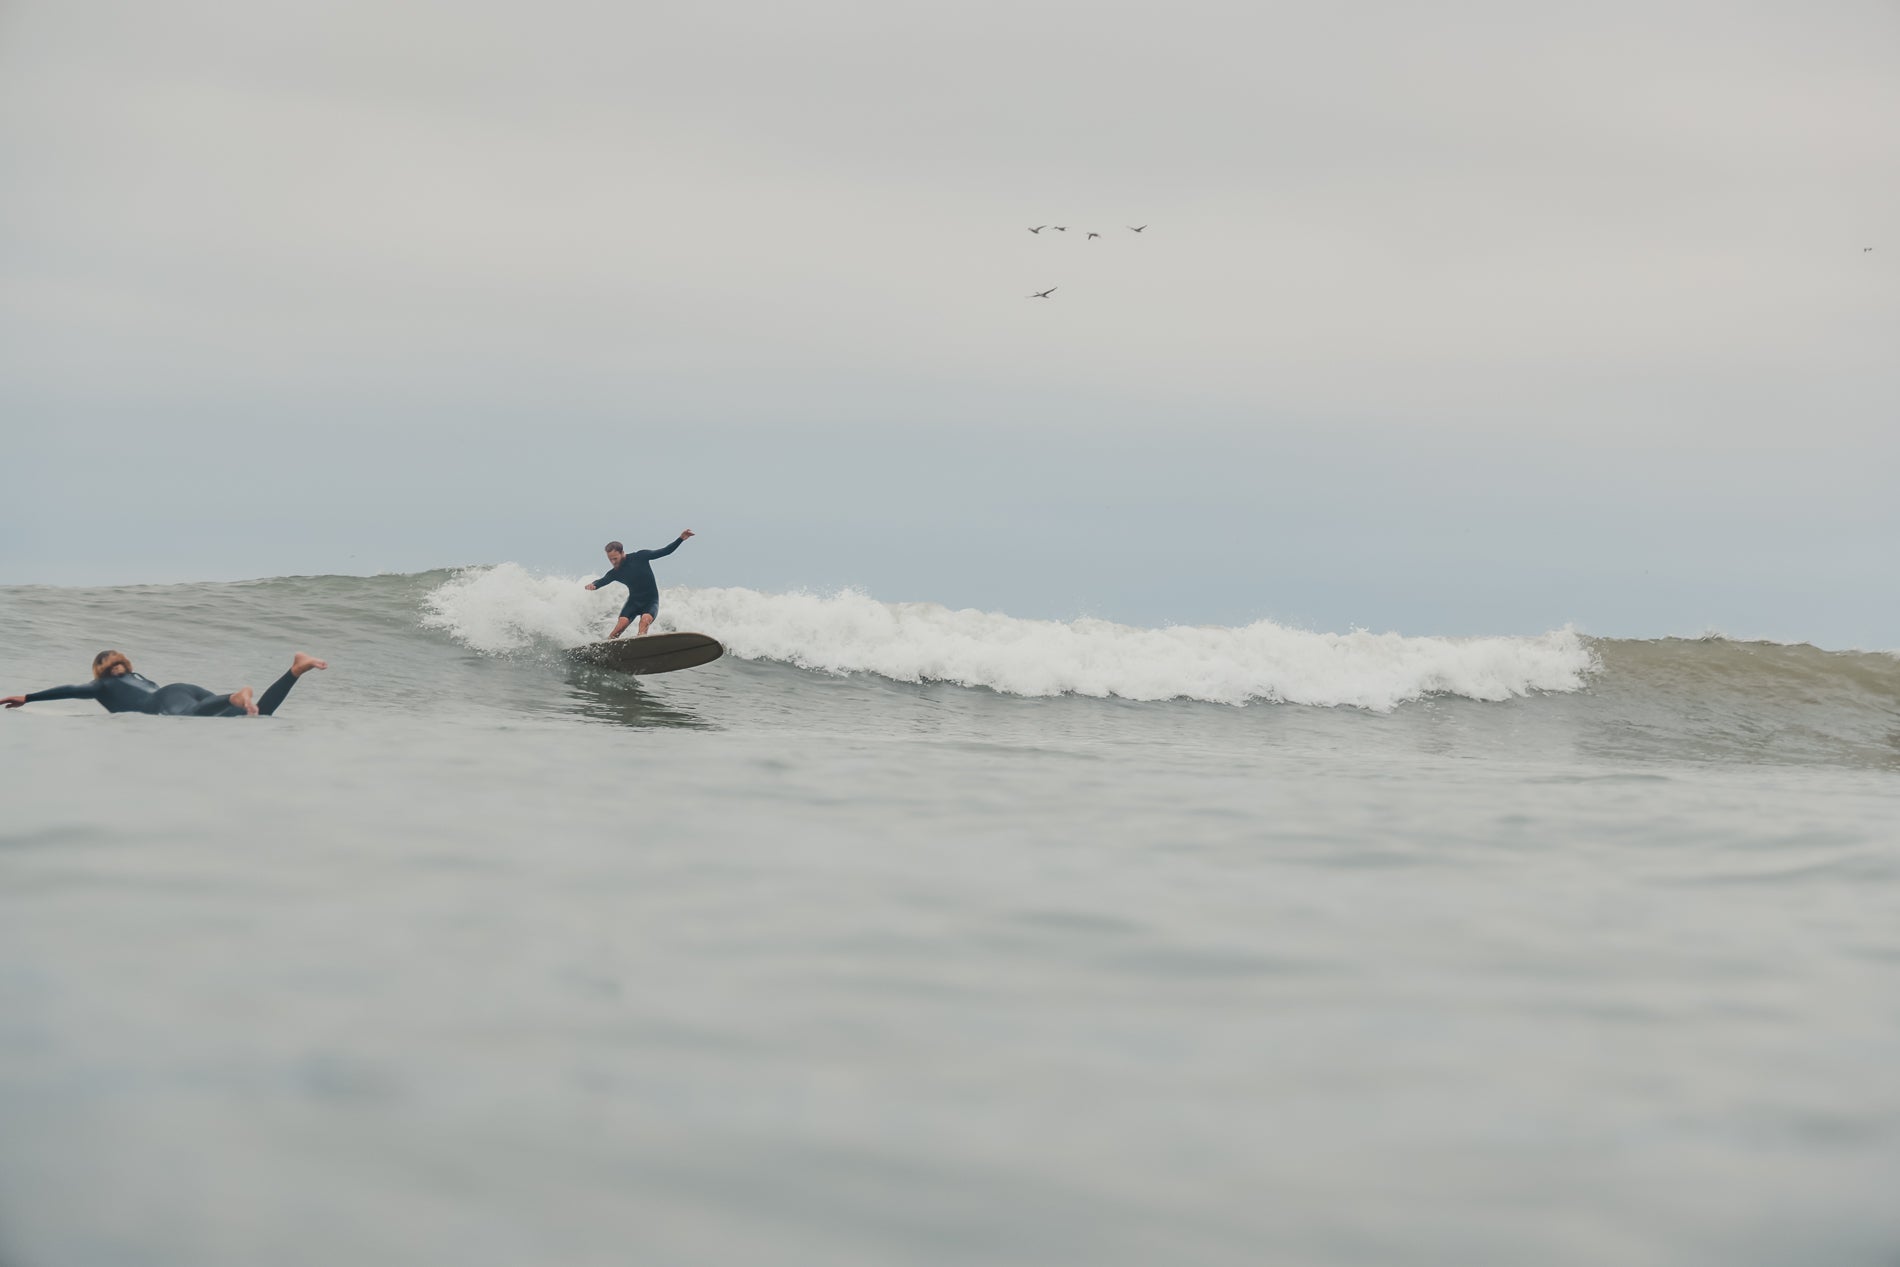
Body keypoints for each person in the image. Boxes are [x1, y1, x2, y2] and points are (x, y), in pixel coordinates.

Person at [3, 650, 327, 717]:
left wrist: (28, 698)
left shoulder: (99, 685)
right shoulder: (137, 676)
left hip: (165, 702)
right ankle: (296, 669)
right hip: (181, 689)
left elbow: (71, 691)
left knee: (191, 716)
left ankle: (235, 696)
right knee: (259, 714)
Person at [584, 530, 694, 639]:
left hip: (650, 601)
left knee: (645, 621)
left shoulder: (641, 557)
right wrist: (594, 584)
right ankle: (606, 650)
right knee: (620, 625)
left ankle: (641, 644)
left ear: (622, 553)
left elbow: (664, 551)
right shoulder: (615, 572)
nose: (613, 562)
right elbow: (603, 580)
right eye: (610, 560)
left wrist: (680, 539)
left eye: (615, 558)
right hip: (633, 603)